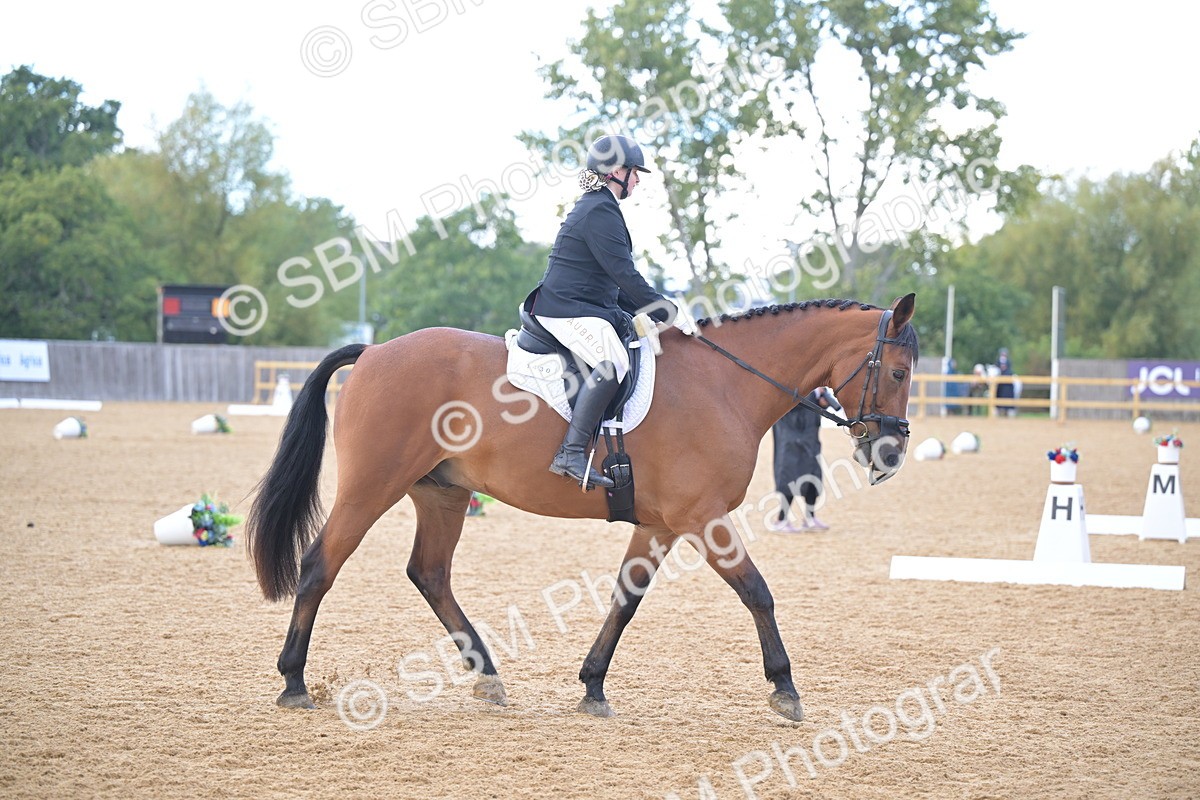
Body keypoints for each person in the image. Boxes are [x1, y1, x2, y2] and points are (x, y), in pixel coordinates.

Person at [527, 134, 696, 490]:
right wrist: (670, 312)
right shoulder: (600, 210)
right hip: (566, 308)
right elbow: (625, 275)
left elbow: (615, 285)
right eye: (635, 172)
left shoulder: (599, 206)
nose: (637, 180)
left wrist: (650, 313)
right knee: (613, 361)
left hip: (586, 305)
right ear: (617, 171)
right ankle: (571, 452)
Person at [770, 387, 841, 532]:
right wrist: (812, 394)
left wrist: (821, 401)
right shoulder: (796, 385)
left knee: (812, 479)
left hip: (810, 440)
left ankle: (810, 518)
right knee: (789, 479)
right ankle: (781, 520)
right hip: (790, 440)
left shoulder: (815, 391)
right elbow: (791, 406)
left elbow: (813, 411)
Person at [995, 348, 1016, 417]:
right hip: (1000, 386)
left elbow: (1010, 372)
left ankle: (1008, 413)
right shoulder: (997, 362)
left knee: (1008, 400)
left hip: (1007, 386)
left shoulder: (1009, 363)